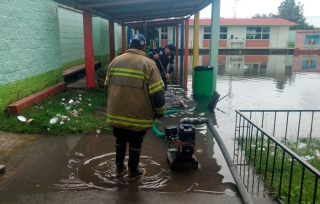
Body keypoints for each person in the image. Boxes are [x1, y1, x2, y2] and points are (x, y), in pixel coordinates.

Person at [104, 34, 166, 181]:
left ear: (130, 45)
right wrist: (160, 111)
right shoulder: (149, 64)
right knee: (135, 140)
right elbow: (157, 94)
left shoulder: (115, 61)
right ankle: (133, 170)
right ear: (144, 47)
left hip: (116, 113)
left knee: (120, 138)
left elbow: (106, 88)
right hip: (137, 115)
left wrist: (112, 106)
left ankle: (119, 168)